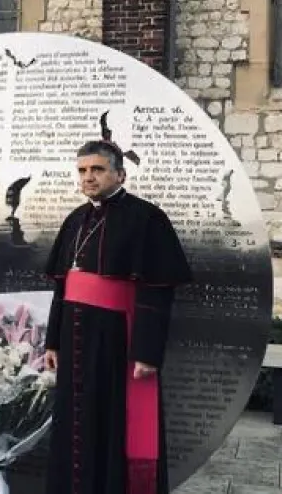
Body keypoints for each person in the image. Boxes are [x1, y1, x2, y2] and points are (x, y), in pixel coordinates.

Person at [43, 140, 192, 494]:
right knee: (76, 426)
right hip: (73, 341)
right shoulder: (75, 219)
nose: (88, 177)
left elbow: (157, 290)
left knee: (114, 425)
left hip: (116, 342)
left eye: (97, 169)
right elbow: (62, 288)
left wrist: (147, 352)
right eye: (82, 170)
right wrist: (53, 340)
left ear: (119, 174)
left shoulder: (146, 218)